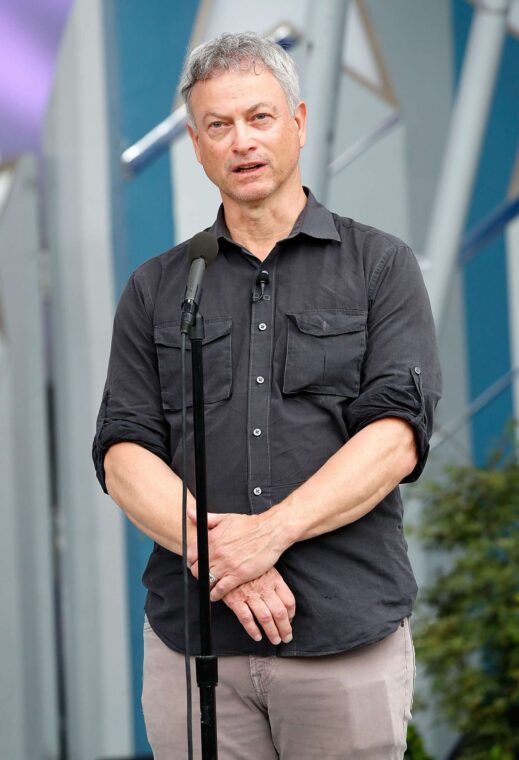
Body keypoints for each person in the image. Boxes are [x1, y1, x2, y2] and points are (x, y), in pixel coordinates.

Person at [93, 31, 441, 759]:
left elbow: (395, 436)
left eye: (258, 118)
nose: (240, 142)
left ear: (299, 122)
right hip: (196, 648)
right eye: (218, 125)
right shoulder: (159, 286)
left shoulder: (380, 266)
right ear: (194, 142)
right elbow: (125, 450)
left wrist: (268, 534)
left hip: (342, 636)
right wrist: (228, 560)